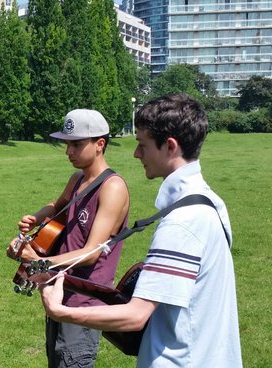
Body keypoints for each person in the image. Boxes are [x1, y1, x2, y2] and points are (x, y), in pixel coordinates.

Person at [41, 94, 243, 367]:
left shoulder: (181, 223)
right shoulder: (211, 203)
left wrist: (61, 311)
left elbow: (136, 315)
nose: (136, 154)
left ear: (170, 147)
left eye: (142, 145)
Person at [7, 109, 130, 367]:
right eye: (67, 144)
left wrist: (39, 262)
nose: (68, 151)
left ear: (100, 145)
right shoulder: (78, 179)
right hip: (59, 294)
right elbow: (57, 205)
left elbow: (92, 252)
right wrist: (37, 218)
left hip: (84, 303)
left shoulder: (113, 187)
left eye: (76, 144)